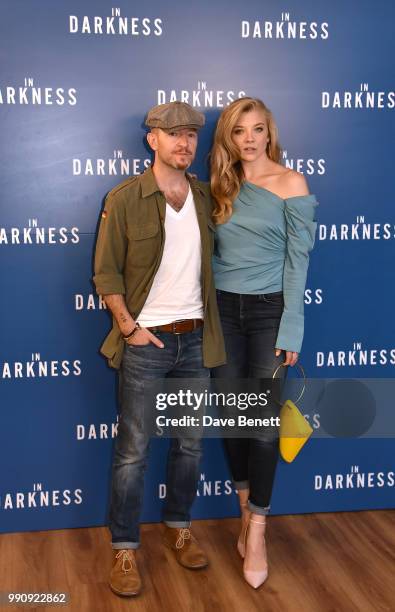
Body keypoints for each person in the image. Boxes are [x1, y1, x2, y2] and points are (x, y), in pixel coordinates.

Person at [93, 101, 226, 597]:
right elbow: (106, 272)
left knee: (190, 445)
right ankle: (125, 547)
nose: (184, 142)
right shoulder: (125, 197)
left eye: (191, 134)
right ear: (152, 140)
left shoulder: (207, 196)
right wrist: (129, 328)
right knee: (133, 451)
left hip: (194, 341)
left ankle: (177, 525)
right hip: (147, 342)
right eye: (173, 134)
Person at [210, 97, 318, 588]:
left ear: (269, 133)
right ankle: (242, 508)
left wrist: (291, 325)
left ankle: (257, 530)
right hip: (222, 313)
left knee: (261, 426)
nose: (249, 139)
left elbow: (299, 263)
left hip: (268, 313)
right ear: (228, 138)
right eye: (239, 131)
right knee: (233, 419)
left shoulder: (291, 184)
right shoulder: (219, 185)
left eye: (257, 129)